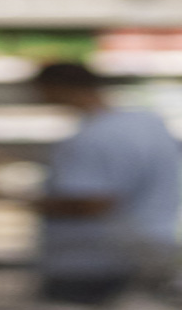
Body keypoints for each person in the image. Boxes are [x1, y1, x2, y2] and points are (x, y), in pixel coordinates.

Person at [32, 63, 180, 306]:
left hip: (93, 259)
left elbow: (91, 203)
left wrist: (19, 201)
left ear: (54, 88)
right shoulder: (148, 124)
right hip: (151, 248)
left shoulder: (92, 137)